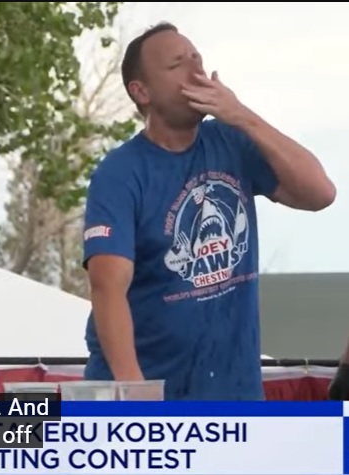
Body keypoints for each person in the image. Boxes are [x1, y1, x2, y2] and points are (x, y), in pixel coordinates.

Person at [82, 22, 335, 400]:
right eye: (177, 64)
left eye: (197, 59)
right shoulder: (120, 173)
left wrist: (243, 115)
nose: (195, 71)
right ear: (142, 91)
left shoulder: (232, 141)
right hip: (154, 395)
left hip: (235, 395)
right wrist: (134, 393)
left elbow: (320, 193)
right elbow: (107, 287)